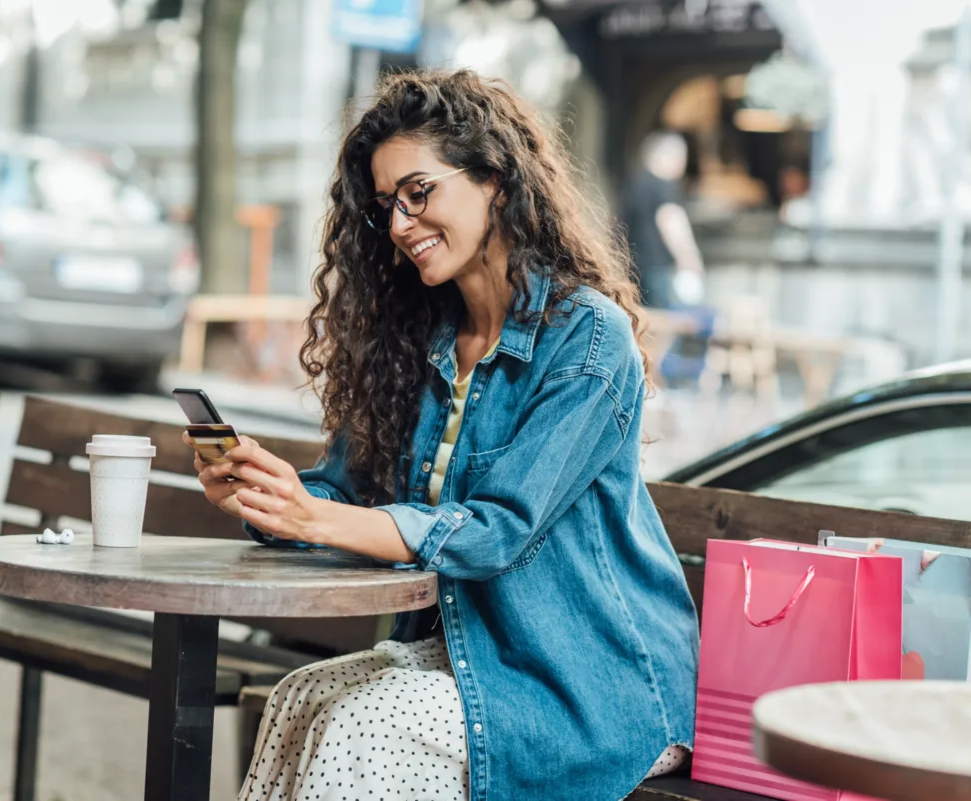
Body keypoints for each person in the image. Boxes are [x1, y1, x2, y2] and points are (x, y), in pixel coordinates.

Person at [187, 69, 700, 801]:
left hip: (594, 681)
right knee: (299, 698)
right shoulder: (418, 340)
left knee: (367, 725)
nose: (400, 223)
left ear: (494, 178)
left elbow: (496, 530)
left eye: (419, 192)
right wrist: (271, 498)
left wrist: (319, 514)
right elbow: (342, 496)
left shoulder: (589, 340)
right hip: (477, 658)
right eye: (387, 206)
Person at [622, 131, 705, 309]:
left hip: (631, 267)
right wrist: (689, 259)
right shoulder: (664, 186)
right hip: (657, 268)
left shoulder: (635, 183)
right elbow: (670, 220)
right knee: (665, 325)